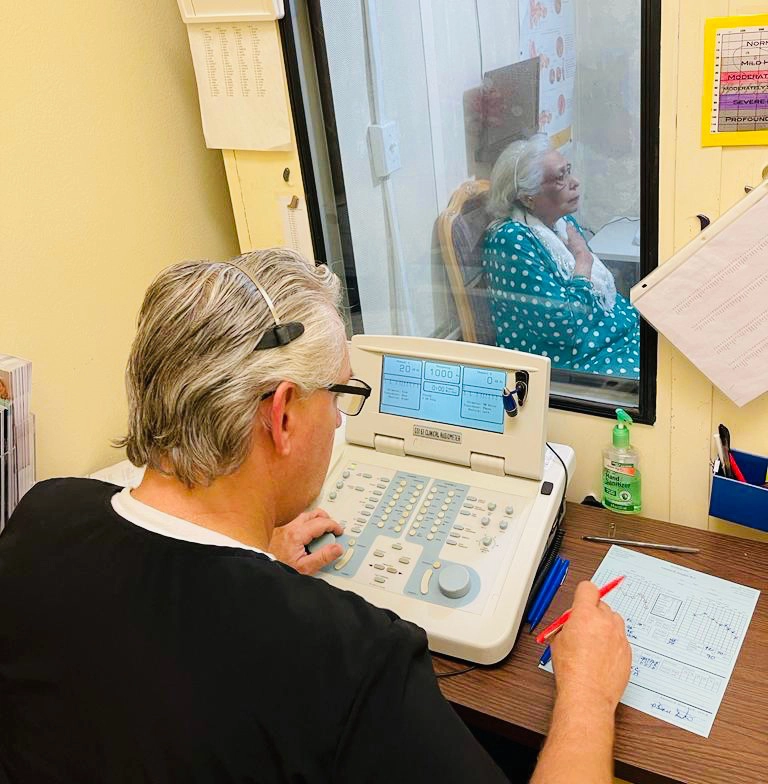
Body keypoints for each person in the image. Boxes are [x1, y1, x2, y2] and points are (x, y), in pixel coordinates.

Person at [0, 248, 631, 783]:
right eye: (341, 395)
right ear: (281, 416)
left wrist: (256, 565)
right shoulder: (347, 655)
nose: (338, 419)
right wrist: (589, 691)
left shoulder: (42, 514)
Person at [483, 134, 641, 379]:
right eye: (560, 178)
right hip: (575, 360)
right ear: (528, 197)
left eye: (569, 171)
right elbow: (563, 326)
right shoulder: (510, 240)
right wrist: (583, 261)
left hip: (614, 336)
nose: (574, 182)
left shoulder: (560, 222)